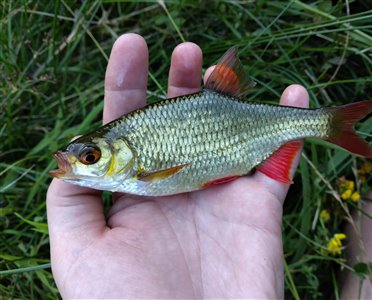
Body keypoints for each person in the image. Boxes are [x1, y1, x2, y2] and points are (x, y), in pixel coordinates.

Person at [46, 33, 309, 298]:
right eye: (90, 158)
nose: (82, 163)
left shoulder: (140, 173)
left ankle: (326, 123)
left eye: (90, 157)